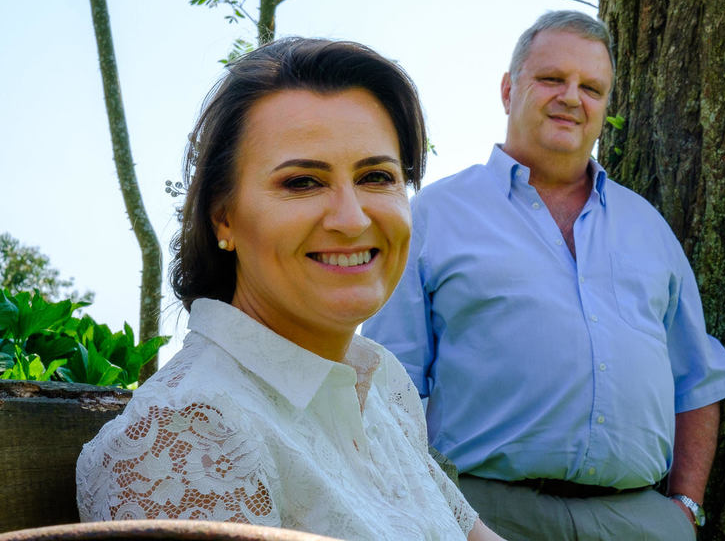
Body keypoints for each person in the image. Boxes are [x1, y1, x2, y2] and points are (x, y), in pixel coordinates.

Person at [76, 38, 506, 541]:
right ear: (224, 217)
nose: (351, 219)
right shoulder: (188, 434)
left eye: (376, 176)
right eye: (303, 182)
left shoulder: (379, 383)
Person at [364, 11, 725, 540]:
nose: (571, 97)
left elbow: (699, 380)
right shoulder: (434, 215)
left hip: (637, 522)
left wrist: (683, 507)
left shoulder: (647, 226)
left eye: (591, 87)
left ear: (605, 107)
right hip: (483, 515)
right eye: (552, 79)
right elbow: (387, 382)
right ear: (508, 89)